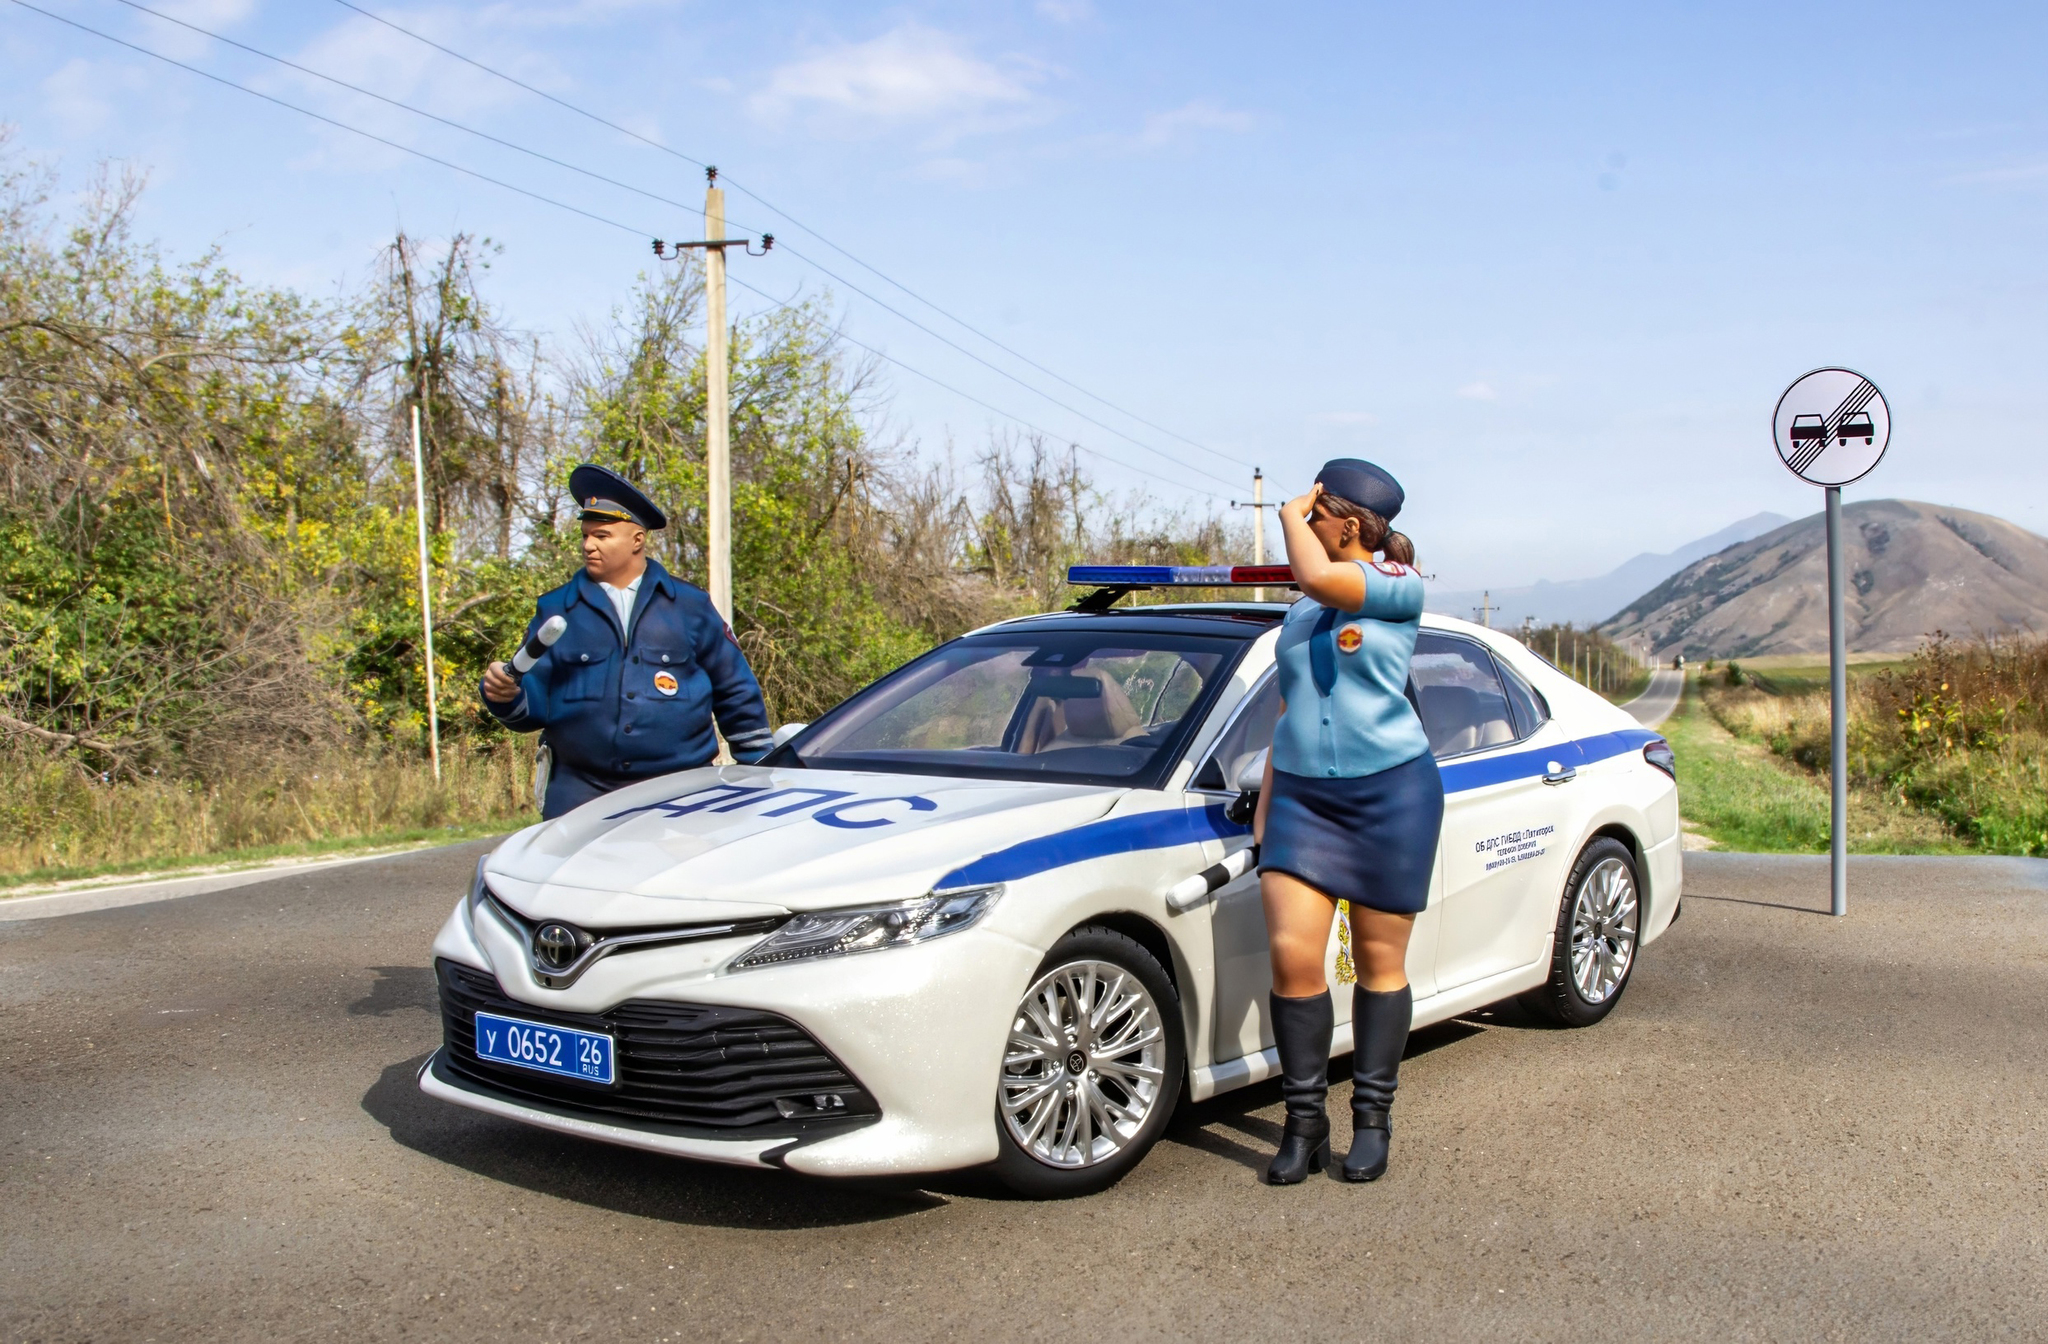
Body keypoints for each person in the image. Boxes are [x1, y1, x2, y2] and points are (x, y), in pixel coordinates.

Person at [1254, 458, 1442, 1185]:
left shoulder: (1398, 587)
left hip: (1390, 795)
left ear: (1351, 524)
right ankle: (1303, 1124)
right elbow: (1287, 710)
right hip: (1304, 799)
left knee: (1377, 961)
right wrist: (1269, 804)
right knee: (1293, 958)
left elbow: (1318, 577)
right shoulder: (1304, 613)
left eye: (1317, 514)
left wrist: (1283, 517)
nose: (1308, 522)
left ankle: (1372, 1119)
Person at [480, 463, 774, 818]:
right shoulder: (556, 609)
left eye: (602, 536)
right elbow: (531, 706)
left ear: (637, 540)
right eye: (586, 535)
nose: (589, 545)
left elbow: (735, 690)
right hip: (581, 795)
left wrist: (758, 776)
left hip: (682, 794)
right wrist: (505, 696)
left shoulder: (690, 607)